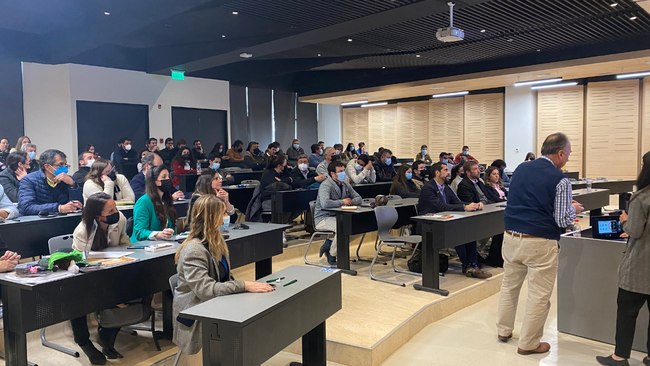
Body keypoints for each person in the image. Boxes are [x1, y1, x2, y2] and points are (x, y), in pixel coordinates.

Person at [497, 132, 584, 355]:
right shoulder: (560, 179)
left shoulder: (520, 169)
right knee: (538, 295)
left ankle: (503, 331)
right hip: (540, 242)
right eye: (569, 154)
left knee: (509, 287)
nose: (568, 159)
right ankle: (529, 343)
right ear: (561, 153)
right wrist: (573, 209)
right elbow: (562, 220)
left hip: (510, 236)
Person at [173, 195, 273, 356]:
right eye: (223, 214)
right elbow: (206, 290)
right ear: (212, 218)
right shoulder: (193, 250)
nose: (227, 217)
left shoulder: (216, 242)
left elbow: (225, 277)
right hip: (197, 315)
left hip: (216, 305)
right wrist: (244, 285)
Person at [596, 151, 650, 366]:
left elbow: (635, 230)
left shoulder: (642, 197)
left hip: (640, 267)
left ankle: (619, 357)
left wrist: (625, 221)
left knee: (627, 313)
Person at [70, 192, 128, 364]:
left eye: (115, 208)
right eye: (110, 211)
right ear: (97, 215)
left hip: (114, 270)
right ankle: (83, 341)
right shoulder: (82, 231)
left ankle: (107, 335)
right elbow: (84, 264)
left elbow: (123, 242)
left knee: (133, 285)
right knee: (76, 298)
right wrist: (109, 297)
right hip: (87, 276)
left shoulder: (121, 219)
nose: (116, 213)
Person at [417, 162, 490, 278]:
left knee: (470, 231)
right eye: (445, 170)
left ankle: (472, 265)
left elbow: (456, 202)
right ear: (437, 172)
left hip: (445, 220)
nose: (448, 172)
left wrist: (473, 204)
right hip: (429, 224)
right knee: (457, 233)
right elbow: (441, 206)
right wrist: (464, 207)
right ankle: (468, 266)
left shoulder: (446, 186)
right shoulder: (428, 188)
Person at [458, 162, 506, 268]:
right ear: (467, 172)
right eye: (475, 169)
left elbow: (489, 197)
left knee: (501, 227)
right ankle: (492, 258)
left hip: (487, 209)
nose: (478, 170)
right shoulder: (464, 185)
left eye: (478, 169)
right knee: (498, 228)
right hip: (475, 215)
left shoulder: (479, 182)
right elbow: (469, 203)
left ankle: (496, 257)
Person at [314, 161, 362, 266]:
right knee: (342, 227)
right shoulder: (325, 185)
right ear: (332, 174)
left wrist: (350, 202)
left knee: (359, 228)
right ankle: (332, 254)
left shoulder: (345, 184)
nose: (343, 173)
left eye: (343, 170)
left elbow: (359, 198)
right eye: (340, 171)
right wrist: (342, 202)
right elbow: (325, 203)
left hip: (340, 216)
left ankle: (331, 244)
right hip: (323, 217)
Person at [18, 149, 82, 216]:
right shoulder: (29, 180)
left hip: (62, 220)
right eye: (60, 164)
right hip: (36, 222)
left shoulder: (67, 180)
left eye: (65, 165)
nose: (64, 168)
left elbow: (78, 206)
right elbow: (27, 207)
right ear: (47, 167)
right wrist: (58, 208)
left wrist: (73, 185)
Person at [131, 165, 178, 242]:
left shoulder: (166, 200)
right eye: (164, 177)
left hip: (163, 245)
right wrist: (157, 234)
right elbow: (139, 232)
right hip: (142, 247)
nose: (168, 179)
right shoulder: (143, 202)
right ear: (154, 181)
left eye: (168, 176)